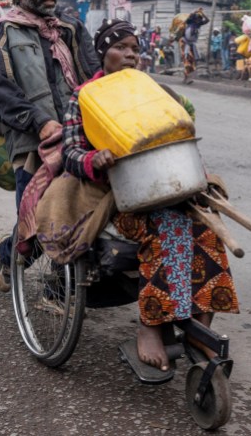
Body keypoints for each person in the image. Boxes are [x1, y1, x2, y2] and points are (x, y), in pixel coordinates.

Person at [60, 18, 239, 370]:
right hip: (118, 199)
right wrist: (96, 158)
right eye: (120, 47)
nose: (129, 55)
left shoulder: (154, 91)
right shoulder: (84, 98)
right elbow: (70, 153)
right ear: (102, 53)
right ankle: (151, 326)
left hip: (170, 187)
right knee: (166, 228)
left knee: (207, 231)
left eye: (135, 49)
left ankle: (200, 326)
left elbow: (182, 139)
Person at [0, 0, 101, 293]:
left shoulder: (70, 27)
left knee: (90, 207)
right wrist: (40, 122)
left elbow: (92, 72)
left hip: (79, 133)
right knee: (34, 222)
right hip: (33, 142)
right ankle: (8, 256)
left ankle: (63, 286)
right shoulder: (1, 32)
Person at [180, 7, 209, 84]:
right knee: (187, 61)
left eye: (200, 19)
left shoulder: (198, 25)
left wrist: (202, 13)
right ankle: (187, 78)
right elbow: (189, 16)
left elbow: (207, 20)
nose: (199, 20)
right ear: (195, 18)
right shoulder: (189, 22)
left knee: (191, 62)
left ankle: (186, 78)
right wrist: (196, 11)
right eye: (198, 18)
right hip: (185, 43)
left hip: (192, 45)